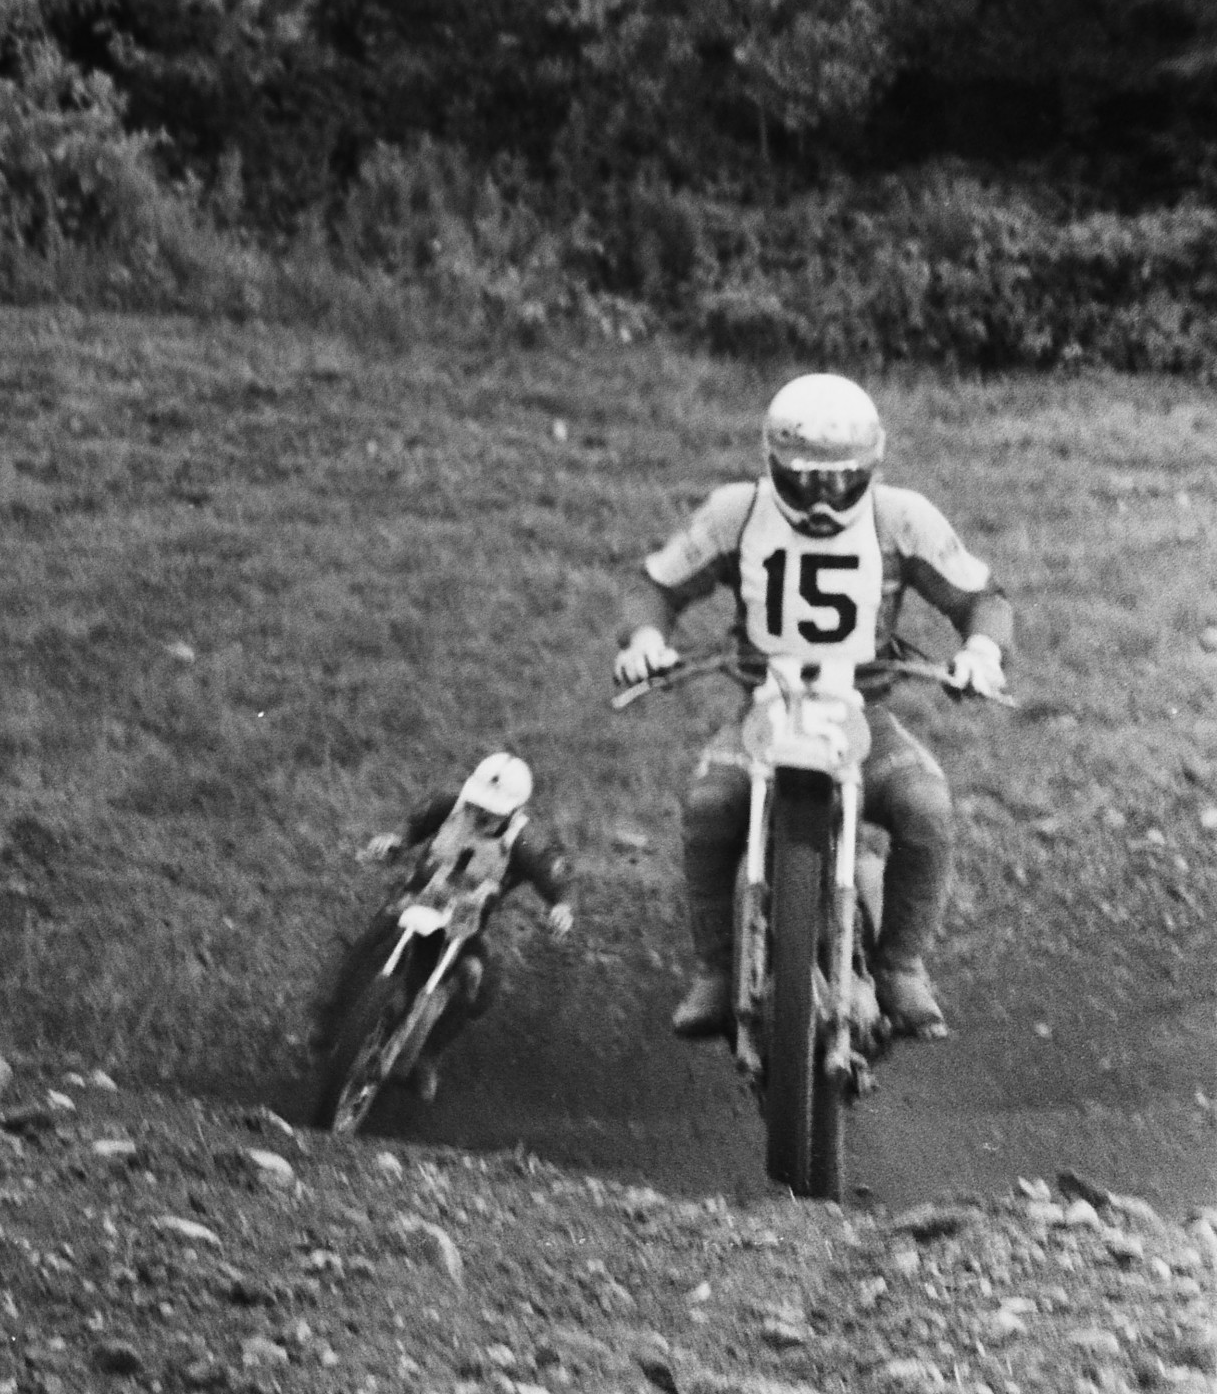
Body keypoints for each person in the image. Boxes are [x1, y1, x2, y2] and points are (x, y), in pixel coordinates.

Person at [611, 373, 1013, 1042]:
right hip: (764, 711)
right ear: (772, 462)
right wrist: (647, 639)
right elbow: (657, 583)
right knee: (709, 806)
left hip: (864, 714)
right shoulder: (737, 512)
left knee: (926, 807)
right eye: (804, 479)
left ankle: (901, 965)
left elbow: (981, 598)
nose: (824, 496)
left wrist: (981, 652)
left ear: (872, 465)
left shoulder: (901, 518)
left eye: (843, 479)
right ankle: (717, 969)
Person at [351, 752, 576, 1061]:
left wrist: (562, 907)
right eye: (478, 804)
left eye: (492, 810)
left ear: (514, 810)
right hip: (416, 898)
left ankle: (427, 1056)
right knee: (373, 938)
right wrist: (394, 842)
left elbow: (557, 879)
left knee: (478, 981)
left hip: (466, 923)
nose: (481, 813)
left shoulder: (524, 842)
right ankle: (329, 1015)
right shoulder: (448, 805)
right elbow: (411, 829)